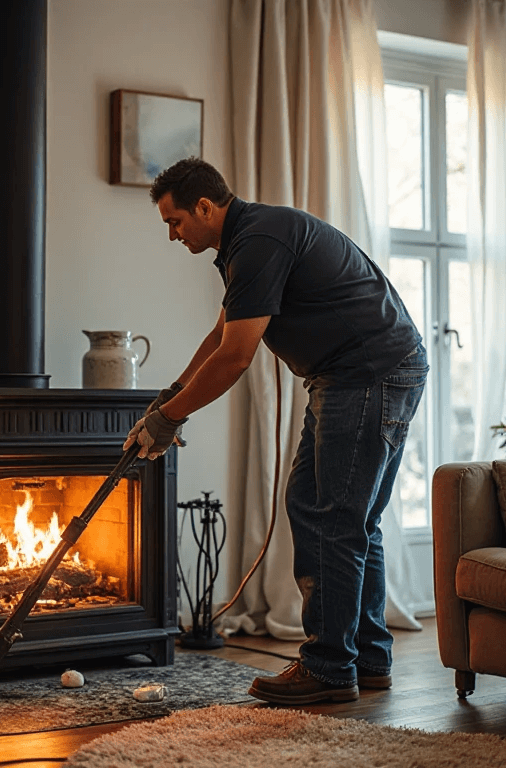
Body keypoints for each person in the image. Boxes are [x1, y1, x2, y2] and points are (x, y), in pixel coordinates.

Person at [123, 157, 428, 705]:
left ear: (205, 207)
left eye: (175, 222)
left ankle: (332, 668)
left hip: (365, 372)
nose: (173, 235)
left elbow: (237, 357)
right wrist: (167, 398)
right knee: (344, 515)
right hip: (362, 371)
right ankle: (368, 657)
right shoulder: (248, 240)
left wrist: (169, 421)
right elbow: (222, 334)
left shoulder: (259, 240)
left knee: (331, 515)